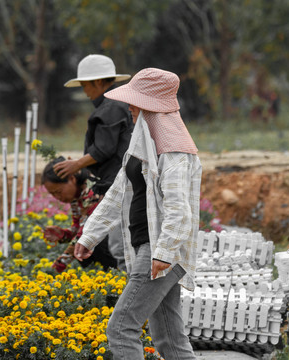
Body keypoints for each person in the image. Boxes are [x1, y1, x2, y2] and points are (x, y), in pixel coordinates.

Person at [75, 68, 201, 359]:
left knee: (121, 329)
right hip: (152, 247)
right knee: (169, 337)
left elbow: (180, 210)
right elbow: (118, 192)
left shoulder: (173, 152)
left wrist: (164, 252)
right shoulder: (144, 143)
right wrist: (90, 236)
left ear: (152, 107)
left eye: (136, 101)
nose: (130, 106)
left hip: (158, 250)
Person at [57, 54, 134, 271]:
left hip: (119, 184)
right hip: (118, 182)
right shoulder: (115, 104)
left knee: (120, 247)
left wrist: (77, 165)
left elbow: (104, 149)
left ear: (99, 82)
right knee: (118, 244)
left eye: (85, 84)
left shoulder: (110, 107)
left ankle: (126, 294)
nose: (84, 90)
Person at [41, 156, 118, 273]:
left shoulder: (92, 191)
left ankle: (114, 274)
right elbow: (78, 228)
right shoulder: (76, 197)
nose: (57, 197)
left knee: (92, 243)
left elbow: (84, 234)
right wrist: (62, 235)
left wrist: (56, 268)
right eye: (53, 194)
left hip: (118, 243)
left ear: (72, 178)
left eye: (58, 192)